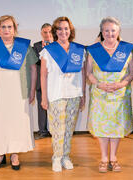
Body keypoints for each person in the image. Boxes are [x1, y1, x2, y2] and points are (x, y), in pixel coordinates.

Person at [0, 15, 37, 171]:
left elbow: (33, 68)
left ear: (14, 29)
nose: (6, 30)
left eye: (9, 26)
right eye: (3, 27)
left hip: (18, 92)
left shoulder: (24, 46)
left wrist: (32, 90)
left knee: (15, 122)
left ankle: (14, 154)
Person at [86, 17, 133, 173]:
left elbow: (132, 72)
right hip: (100, 93)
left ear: (118, 31)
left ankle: (113, 157)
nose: (110, 33)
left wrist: (121, 84)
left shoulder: (127, 49)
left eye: (113, 30)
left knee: (116, 127)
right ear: (102, 31)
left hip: (119, 94)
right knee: (102, 127)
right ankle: (103, 158)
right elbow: (88, 72)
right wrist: (98, 84)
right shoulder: (93, 50)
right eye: (106, 30)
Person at [40, 16, 86, 172]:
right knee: (58, 128)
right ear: (55, 31)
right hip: (56, 94)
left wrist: (83, 95)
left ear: (70, 31)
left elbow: (83, 74)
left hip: (74, 93)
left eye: (66, 28)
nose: (63, 31)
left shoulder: (79, 50)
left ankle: (66, 156)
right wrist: (44, 97)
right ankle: (56, 157)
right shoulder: (48, 50)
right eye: (60, 28)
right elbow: (43, 75)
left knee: (69, 129)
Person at [33, 23, 53, 139]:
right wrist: (45, 51)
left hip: (54, 82)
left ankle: (55, 130)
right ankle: (42, 131)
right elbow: (37, 61)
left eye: (50, 32)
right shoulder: (36, 46)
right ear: (41, 33)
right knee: (42, 107)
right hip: (41, 82)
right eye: (45, 32)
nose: (48, 34)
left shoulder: (57, 45)